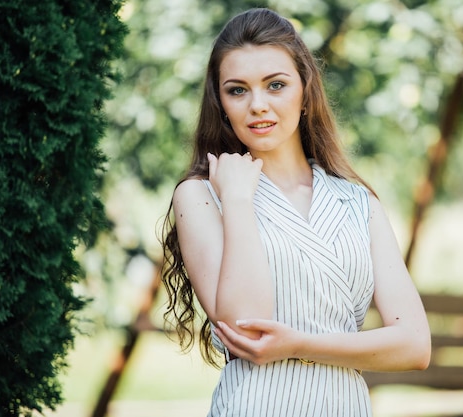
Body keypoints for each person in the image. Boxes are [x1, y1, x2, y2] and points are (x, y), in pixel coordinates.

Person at [161, 8, 430, 417]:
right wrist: (236, 200)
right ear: (221, 103)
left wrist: (299, 345)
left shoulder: (357, 203)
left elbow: (414, 344)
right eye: (237, 90)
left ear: (304, 91)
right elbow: (245, 323)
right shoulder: (202, 196)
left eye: (275, 85)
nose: (257, 105)